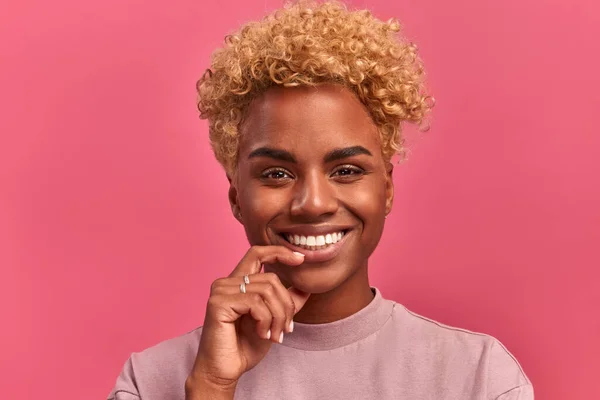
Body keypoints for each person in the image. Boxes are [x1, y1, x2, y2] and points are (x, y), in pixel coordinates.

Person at [108, 1, 533, 399]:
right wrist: (211, 386)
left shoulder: (479, 378)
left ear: (386, 188)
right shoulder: (150, 382)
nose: (312, 203)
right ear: (237, 197)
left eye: (346, 171)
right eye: (277, 173)